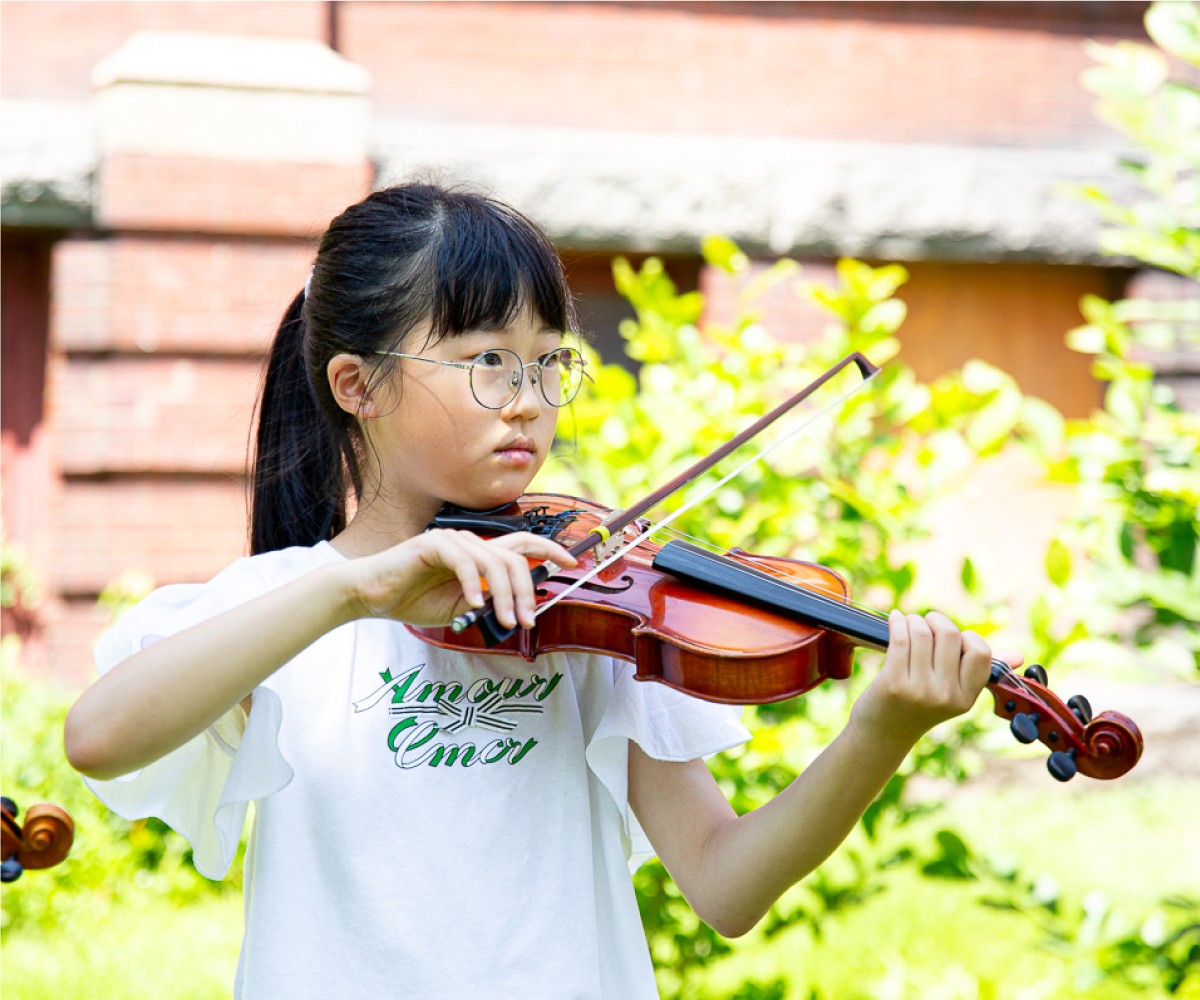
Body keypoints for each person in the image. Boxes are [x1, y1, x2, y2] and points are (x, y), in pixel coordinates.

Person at [65, 183, 1004, 999]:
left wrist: (878, 735)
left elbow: (727, 887)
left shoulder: (583, 604)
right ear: (358, 384)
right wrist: (352, 593)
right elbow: (99, 740)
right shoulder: (284, 606)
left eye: (550, 361)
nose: (529, 398)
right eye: (486, 363)